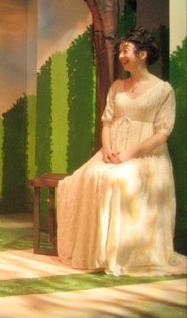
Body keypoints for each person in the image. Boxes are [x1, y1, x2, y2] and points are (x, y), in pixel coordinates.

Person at [57, 27, 185, 276]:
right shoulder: (117, 86)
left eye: (126, 50)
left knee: (117, 180)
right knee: (86, 177)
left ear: (143, 54)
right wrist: (107, 149)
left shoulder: (163, 90)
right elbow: (107, 122)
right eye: (120, 51)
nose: (121, 56)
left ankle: (123, 254)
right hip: (113, 150)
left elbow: (162, 132)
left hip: (146, 155)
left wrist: (131, 153)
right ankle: (97, 252)